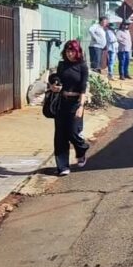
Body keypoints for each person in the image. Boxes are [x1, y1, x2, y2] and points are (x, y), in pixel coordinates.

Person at [49, 40, 90, 176]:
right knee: (60, 136)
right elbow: (57, 81)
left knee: (73, 132)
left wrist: (81, 106)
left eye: (72, 51)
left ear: (77, 52)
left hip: (75, 103)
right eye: (67, 51)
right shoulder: (62, 65)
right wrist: (54, 86)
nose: (69, 54)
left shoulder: (82, 66)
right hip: (62, 102)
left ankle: (82, 149)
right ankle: (62, 167)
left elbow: (83, 88)